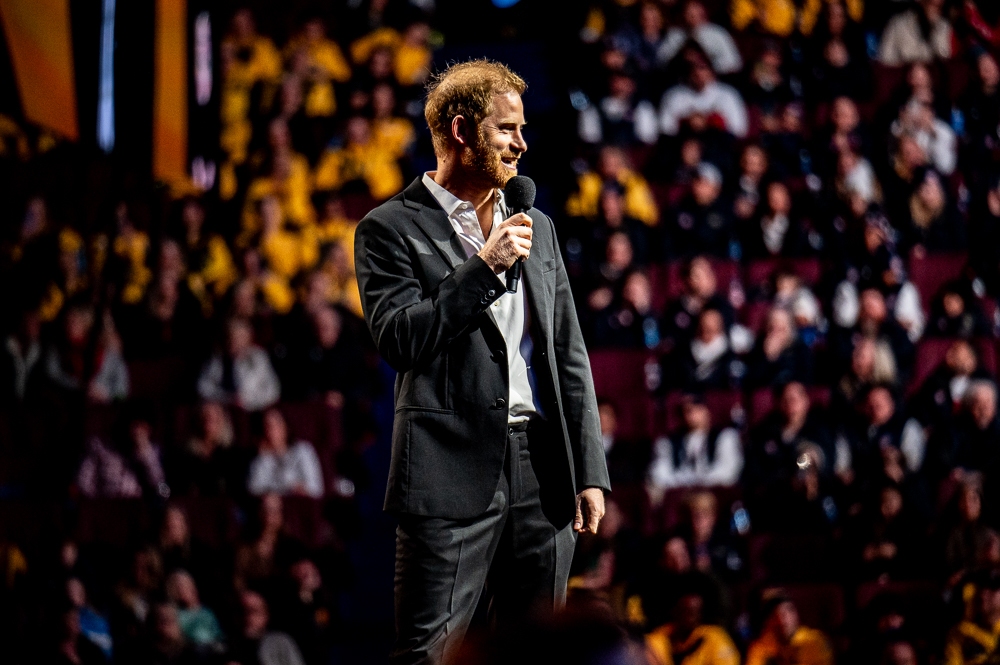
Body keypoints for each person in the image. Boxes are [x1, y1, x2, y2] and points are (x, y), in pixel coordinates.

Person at [353, 59, 610, 664]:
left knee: (537, 655)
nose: (521, 144)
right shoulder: (388, 229)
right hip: (446, 472)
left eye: (522, 130)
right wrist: (484, 268)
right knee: (427, 655)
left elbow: (567, 352)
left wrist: (589, 467)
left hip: (543, 471)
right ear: (463, 131)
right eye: (506, 130)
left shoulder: (537, 227)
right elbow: (399, 340)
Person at [746, 591, 834, 665]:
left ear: (795, 614)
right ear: (767, 622)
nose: (782, 619)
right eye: (774, 615)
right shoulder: (760, 647)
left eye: (787, 612)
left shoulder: (814, 640)